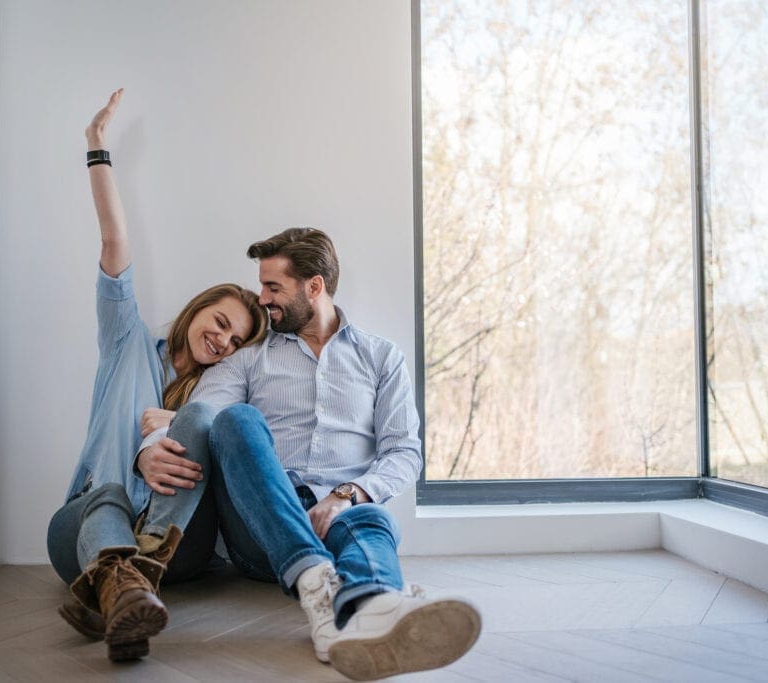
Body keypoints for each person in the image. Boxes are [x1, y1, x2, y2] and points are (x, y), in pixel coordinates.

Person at [137, 227, 482, 679]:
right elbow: (200, 418)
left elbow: (404, 453)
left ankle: (368, 611)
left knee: (372, 517)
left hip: (338, 514)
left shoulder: (381, 358)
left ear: (313, 287)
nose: (262, 298)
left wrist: (348, 492)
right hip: (260, 524)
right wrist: (147, 448)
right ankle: (327, 582)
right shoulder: (248, 359)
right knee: (237, 421)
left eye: (273, 287)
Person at [46, 89, 268, 662]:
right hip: (86, 521)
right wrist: (97, 149)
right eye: (220, 322)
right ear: (199, 308)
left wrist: (174, 425)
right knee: (111, 494)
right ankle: (126, 594)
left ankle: (122, 582)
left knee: (196, 417)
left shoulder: (217, 392)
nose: (222, 340)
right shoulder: (127, 341)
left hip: (180, 543)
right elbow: (115, 242)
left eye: (235, 339)